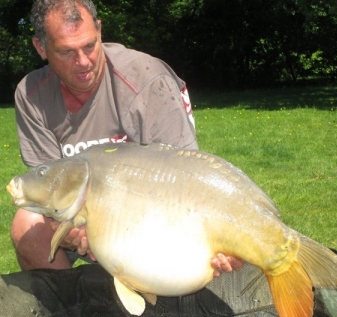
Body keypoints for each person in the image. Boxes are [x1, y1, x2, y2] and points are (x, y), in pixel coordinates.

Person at [11, 0, 242, 275]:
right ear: (41, 48)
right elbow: (51, 190)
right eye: (66, 52)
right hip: (84, 216)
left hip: (155, 214)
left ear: (99, 30)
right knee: (26, 225)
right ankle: (74, 312)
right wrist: (78, 228)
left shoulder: (148, 81)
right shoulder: (32, 96)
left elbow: (186, 182)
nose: (83, 62)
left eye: (89, 46)